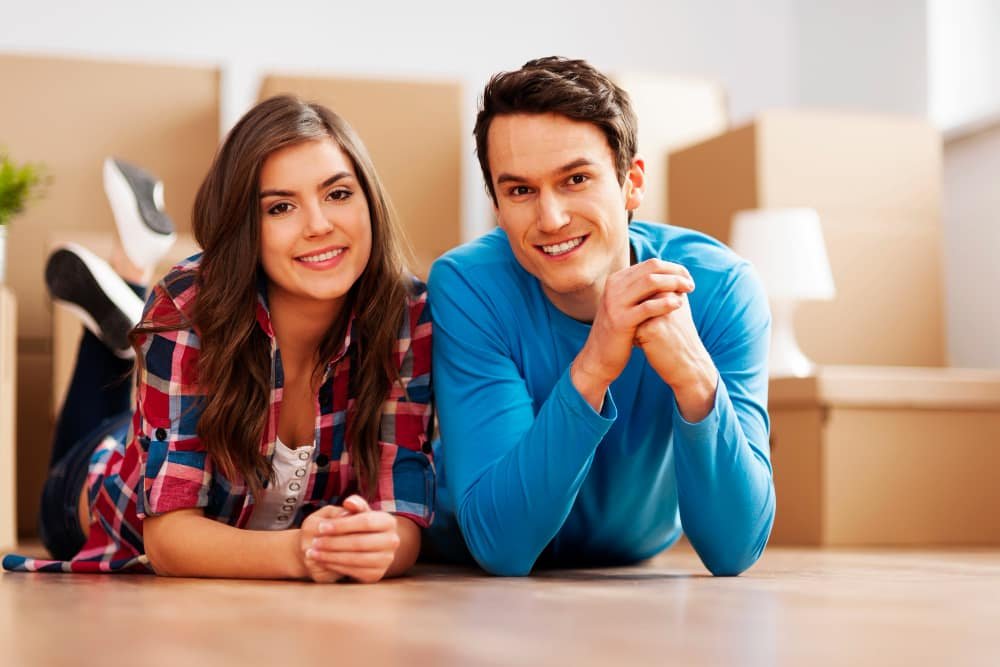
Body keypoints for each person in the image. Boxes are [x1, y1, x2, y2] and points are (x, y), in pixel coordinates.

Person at [3, 96, 434, 582]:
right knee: (84, 456)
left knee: (140, 420)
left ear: (370, 200)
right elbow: (168, 540)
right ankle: (125, 294)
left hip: (172, 422)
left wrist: (374, 546)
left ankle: (127, 286)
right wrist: (304, 552)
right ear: (245, 226)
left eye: (338, 194)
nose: (319, 225)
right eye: (281, 206)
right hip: (102, 493)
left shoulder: (407, 313)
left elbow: (403, 515)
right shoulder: (190, 306)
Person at [424, 57, 774, 577]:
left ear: (631, 183)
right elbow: (502, 546)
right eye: (520, 190)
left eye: (576, 179)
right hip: (463, 562)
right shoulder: (469, 285)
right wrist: (593, 367)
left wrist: (696, 380)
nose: (551, 219)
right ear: (497, 203)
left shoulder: (721, 289)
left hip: (629, 559)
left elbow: (735, 549)